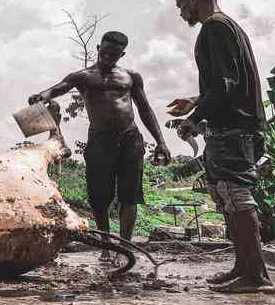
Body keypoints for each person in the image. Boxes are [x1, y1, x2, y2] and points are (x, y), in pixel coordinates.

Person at [169, 0, 275, 294]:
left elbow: (226, 85)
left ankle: (256, 277)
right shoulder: (230, 27)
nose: (180, 14)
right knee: (228, 196)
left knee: (236, 196)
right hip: (237, 126)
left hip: (233, 128)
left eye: (180, 6)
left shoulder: (213, 27)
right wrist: (197, 100)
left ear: (193, 0)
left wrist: (194, 118)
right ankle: (243, 268)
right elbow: (229, 83)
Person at [29, 31, 170, 263]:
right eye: (104, 52)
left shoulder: (131, 76)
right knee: (99, 197)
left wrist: (161, 142)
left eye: (113, 54)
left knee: (130, 195)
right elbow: (58, 88)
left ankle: (124, 247)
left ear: (121, 54)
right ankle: (106, 245)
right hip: (99, 140)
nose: (107, 57)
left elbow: (145, 109)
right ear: (97, 48)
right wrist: (41, 95)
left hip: (130, 138)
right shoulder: (83, 77)